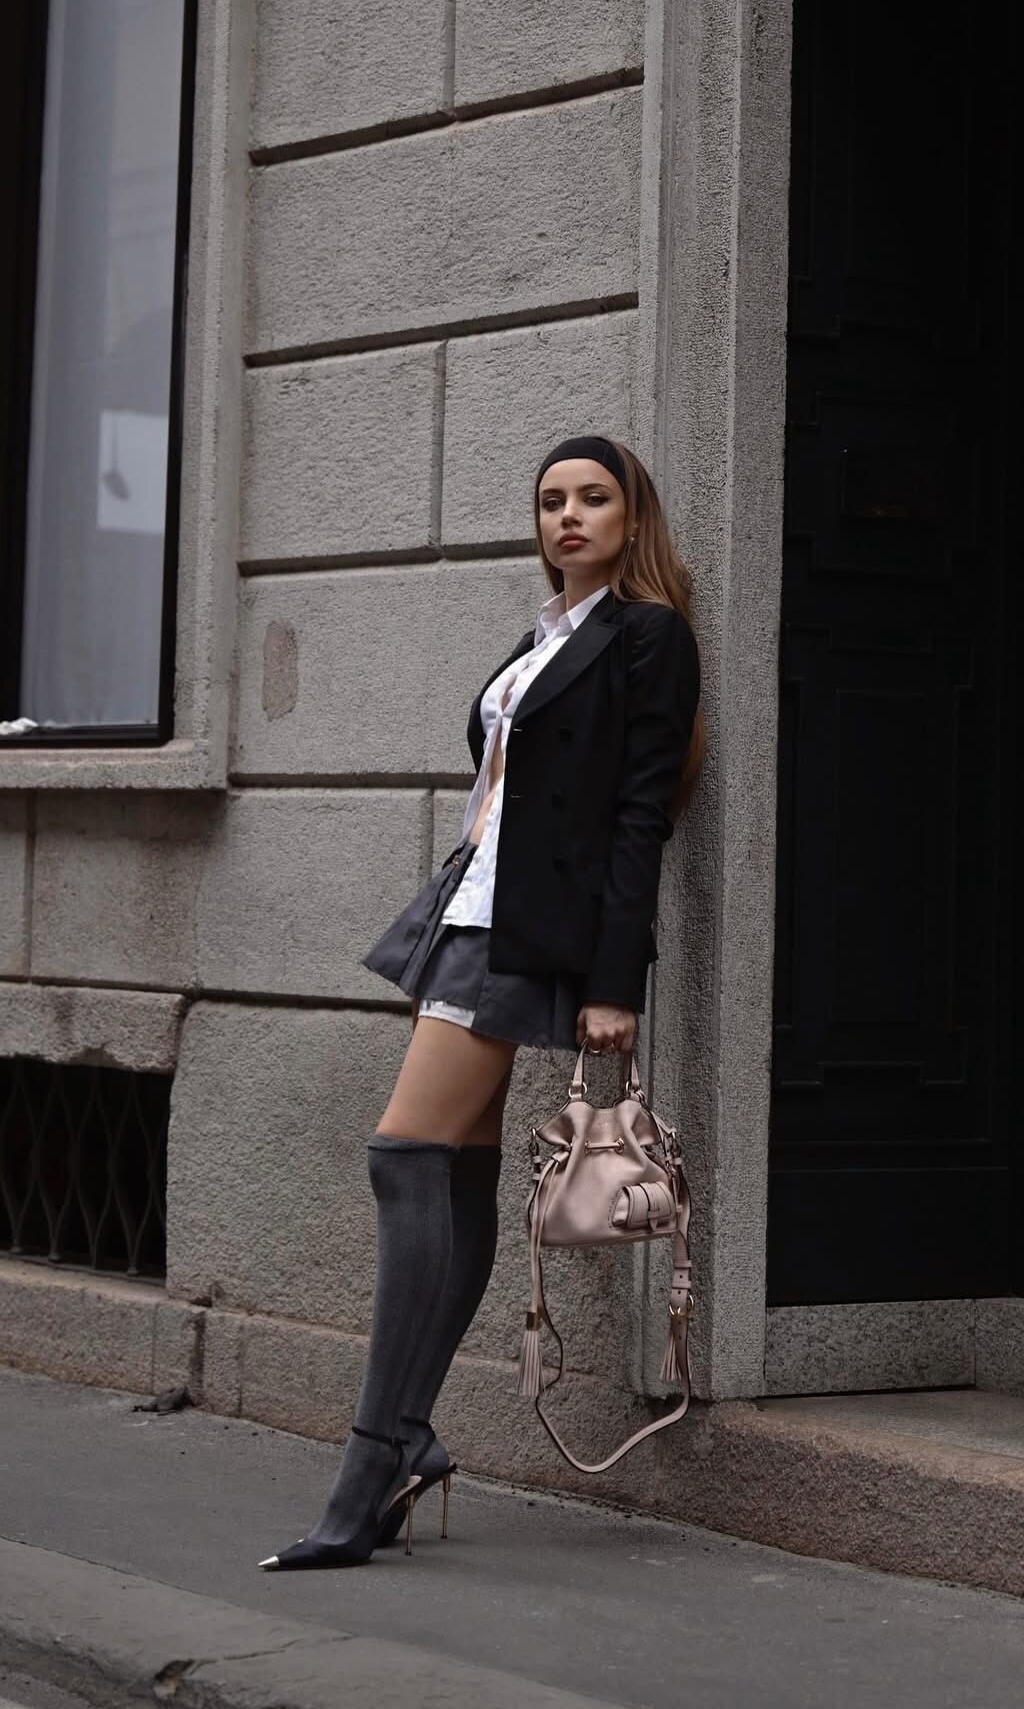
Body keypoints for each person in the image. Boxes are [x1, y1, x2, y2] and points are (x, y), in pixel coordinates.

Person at [257, 434, 704, 1571]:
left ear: (632, 516)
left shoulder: (648, 636)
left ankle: (373, 1460)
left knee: (402, 1157)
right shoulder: (544, 634)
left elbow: (642, 812)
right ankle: (406, 1438)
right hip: (469, 912)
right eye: (551, 501)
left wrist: (615, 981)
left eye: (593, 498)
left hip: (523, 931)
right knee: (450, 1170)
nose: (568, 517)